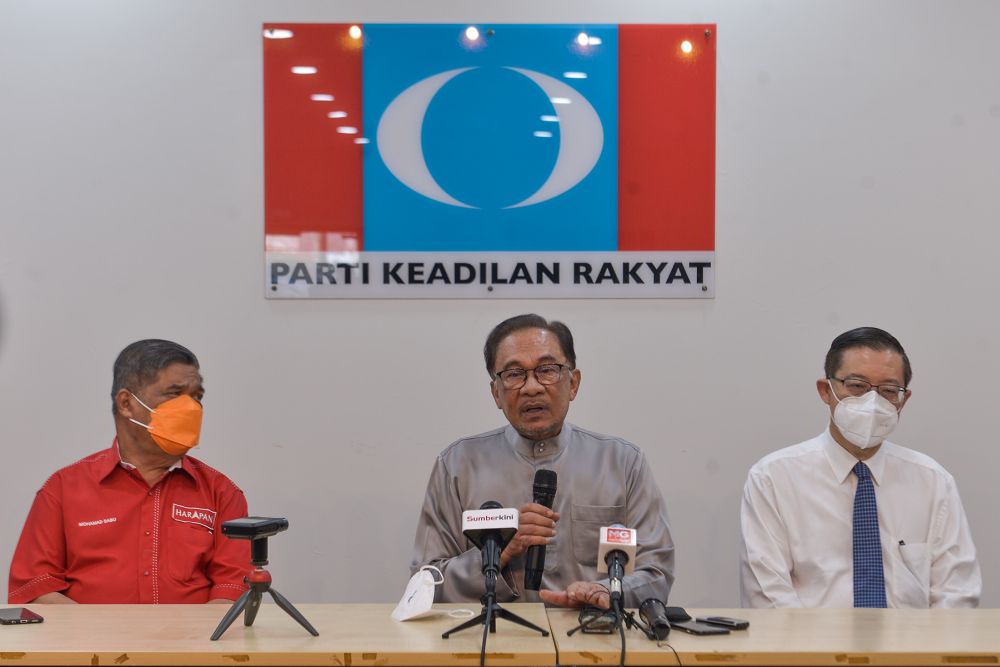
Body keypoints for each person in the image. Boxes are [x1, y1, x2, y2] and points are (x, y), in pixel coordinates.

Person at [410, 314, 674, 608]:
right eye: (513, 374)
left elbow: (657, 574)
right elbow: (424, 584)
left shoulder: (623, 463)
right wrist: (499, 553)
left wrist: (606, 591)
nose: (531, 387)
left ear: (573, 383)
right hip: (491, 645)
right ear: (496, 393)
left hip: (595, 642)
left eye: (547, 370)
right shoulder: (458, 465)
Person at [740, 327, 980, 608]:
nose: (873, 402)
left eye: (889, 391)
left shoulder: (933, 481)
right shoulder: (773, 478)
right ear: (825, 390)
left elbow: (957, 595)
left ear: (904, 399)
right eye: (856, 386)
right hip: (806, 648)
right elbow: (768, 597)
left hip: (913, 649)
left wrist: (922, 651)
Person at [8, 339, 250, 604]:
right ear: (126, 403)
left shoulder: (222, 493)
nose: (191, 408)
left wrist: (188, 642)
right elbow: (36, 587)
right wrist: (104, 639)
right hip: (91, 644)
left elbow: (233, 591)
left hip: (191, 644)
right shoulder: (63, 488)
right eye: (174, 394)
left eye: (196, 397)